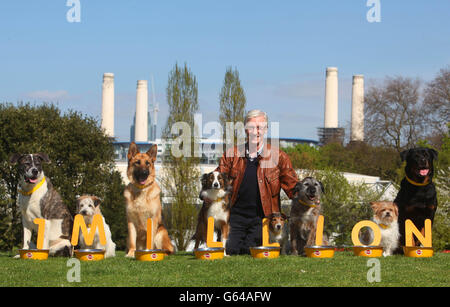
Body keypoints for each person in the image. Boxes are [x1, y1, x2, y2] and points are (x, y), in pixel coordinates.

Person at [205, 109, 299, 255]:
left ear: (266, 129)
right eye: (252, 127)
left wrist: (309, 198)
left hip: (263, 218)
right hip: (235, 215)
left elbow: (293, 187)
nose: (256, 131)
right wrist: (205, 195)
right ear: (245, 129)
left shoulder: (280, 157)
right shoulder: (231, 155)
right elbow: (216, 178)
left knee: (251, 250)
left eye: (260, 127)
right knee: (230, 249)